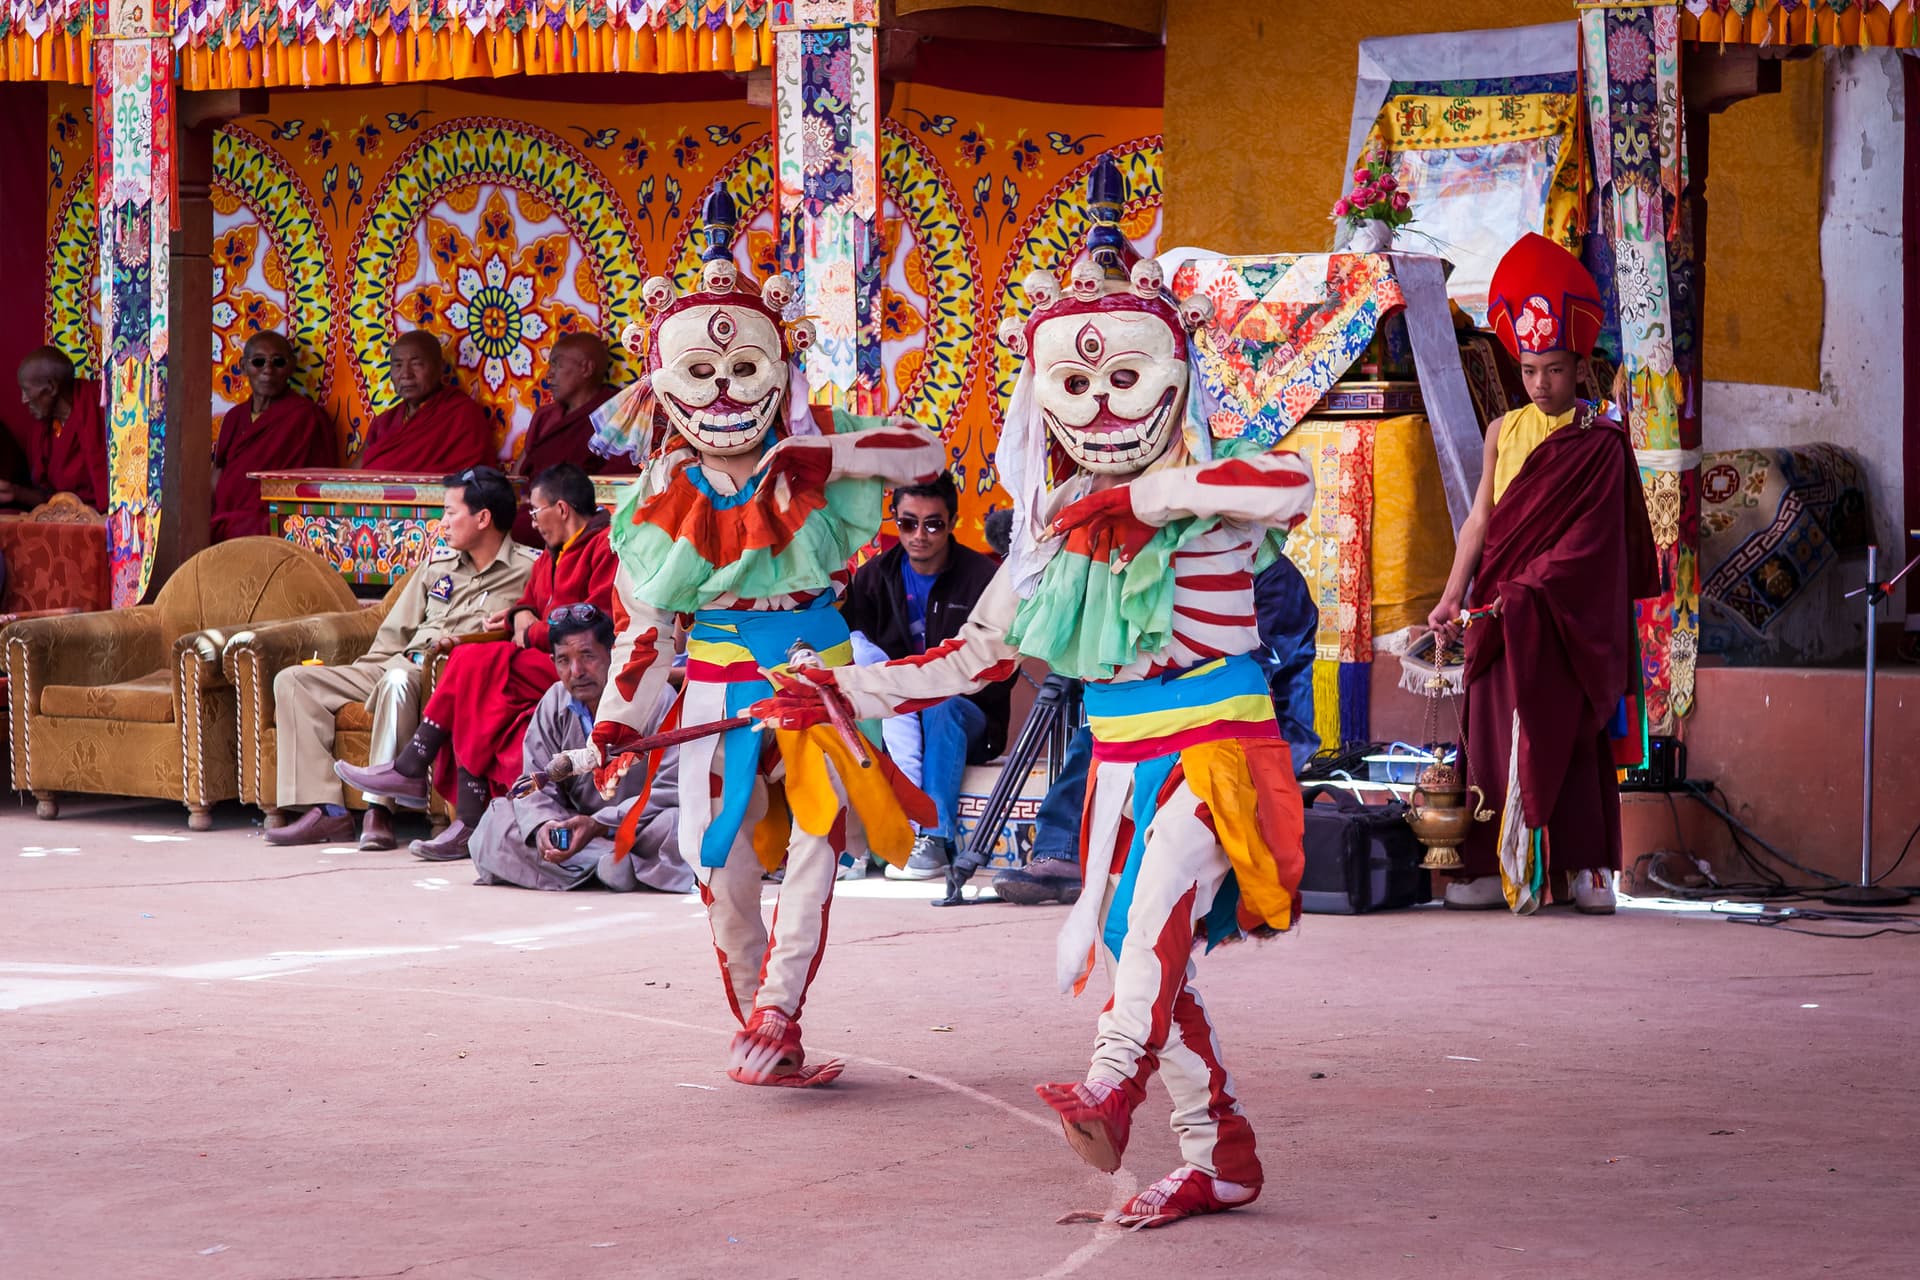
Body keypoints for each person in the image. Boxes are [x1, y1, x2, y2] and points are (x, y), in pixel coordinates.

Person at [754, 157, 1314, 1227]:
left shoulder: (1211, 496)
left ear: (1176, 378)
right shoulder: (1050, 538)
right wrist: (844, 683)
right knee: (1153, 958)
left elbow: (1293, 481)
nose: (1103, 404)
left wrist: (1154, 493)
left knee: (1149, 923)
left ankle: (1110, 1080)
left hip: (1219, 752)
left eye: (1125, 379)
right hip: (1114, 767)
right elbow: (974, 657)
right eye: (1077, 385)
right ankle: (1221, 1151)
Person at [545, 189, 947, 1088]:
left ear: (779, 366)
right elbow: (645, 633)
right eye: (699, 371)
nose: (725, 388)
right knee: (714, 862)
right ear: (660, 381)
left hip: (818, 677)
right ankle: (761, 1016)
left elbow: (927, 457)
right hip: (720, 687)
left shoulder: (822, 451)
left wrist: (815, 457)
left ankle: (780, 1008)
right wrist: (615, 725)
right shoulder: (658, 499)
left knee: (816, 844)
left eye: (743, 367)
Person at [1424, 233, 1658, 916]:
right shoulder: (1503, 428)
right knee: (1495, 734)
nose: (1541, 384)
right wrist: (1450, 599)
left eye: (1554, 369)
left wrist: (1533, 590)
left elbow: (1595, 541)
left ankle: (1586, 869)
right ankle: (1490, 867)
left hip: (1567, 616)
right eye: (1530, 369)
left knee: (1575, 731)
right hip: (1500, 609)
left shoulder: (1602, 438)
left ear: (1579, 365)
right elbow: (1480, 523)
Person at [993, 555, 1320, 907]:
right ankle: (1062, 853)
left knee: (1132, 736)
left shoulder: (1273, 578)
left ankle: (1118, 865)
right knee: (1102, 732)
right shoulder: (1182, 559)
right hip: (1189, 706)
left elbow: (1245, 672)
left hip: (1257, 723)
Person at [333, 463, 619, 862]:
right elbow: (529, 604)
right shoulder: (550, 559)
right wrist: (519, 614)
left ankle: (419, 769)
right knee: (476, 686)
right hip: (540, 659)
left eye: (536, 512)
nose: (533, 522)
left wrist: (534, 630)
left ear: (562, 509)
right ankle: (461, 814)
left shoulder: (604, 548)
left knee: (470, 662)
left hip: (581, 665)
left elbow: (599, 620)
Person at [265, 466, 538, 850]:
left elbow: (533, 633)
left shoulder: (530, 568)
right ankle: (327, 812)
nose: (442, 523)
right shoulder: (436, 565)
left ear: (483, 518)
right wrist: (368, 672)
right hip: (398, 662)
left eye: (450, 512)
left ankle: (379, 812)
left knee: (397, 682)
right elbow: (394, 631)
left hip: (443, 676)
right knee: (294, 681)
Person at [841, 472, 1011, 881]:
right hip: (893, 716)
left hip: (968, 717)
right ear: (894, 520)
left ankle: (934, 838)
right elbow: (851, 646)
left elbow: (1000, 668)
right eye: (907, 523)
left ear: (952, 522)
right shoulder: (874, 577)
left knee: (943, 705)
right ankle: (852, 847)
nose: (920, 535)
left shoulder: (982, 578)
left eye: (933, 523)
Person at [469, 607, 690, 893]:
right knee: (497, 821)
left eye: (587, 656)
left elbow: (671, 788)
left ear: (614, 654)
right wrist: (544, 826)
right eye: (564, 660)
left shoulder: (657, 700)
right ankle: (608, 865)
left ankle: (593, 865)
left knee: (674, 825)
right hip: (577, 828)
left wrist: (599, 824)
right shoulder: (554, 702)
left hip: (637, 826)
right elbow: (534, 782)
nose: (576, 672)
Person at [210, 332, 338, 541]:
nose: (267, 370)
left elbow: (323, 483)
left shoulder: (307, 417)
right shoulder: (234, 417)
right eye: (258, 362)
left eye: (278, 362)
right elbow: (219, 472)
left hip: (276, 527)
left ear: (291, 366)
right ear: (243, 366)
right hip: (224, 523)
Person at [511, 333, 621, 544]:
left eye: (557, 365)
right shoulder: (545, 416)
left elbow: (615, 487)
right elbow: (519, 475)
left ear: (586, 368)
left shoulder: (616, 414)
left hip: (576, 516)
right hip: (534, 510)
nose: (549, 375)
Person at [354, 332, 494, 473]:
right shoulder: (384, 422)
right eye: (398, 365)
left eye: (417, 364)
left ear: (440, 367)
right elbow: (350, 478)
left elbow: (478, 482)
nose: (406, 374)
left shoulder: (462, 415)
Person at [6, 347, 107, 512]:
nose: (23, 399)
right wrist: (15, 492)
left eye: (26, 390)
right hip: (62, 521)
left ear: (52, 388)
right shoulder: (44, 430)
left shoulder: (99, 406)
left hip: (103, 522)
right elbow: (51, 498)